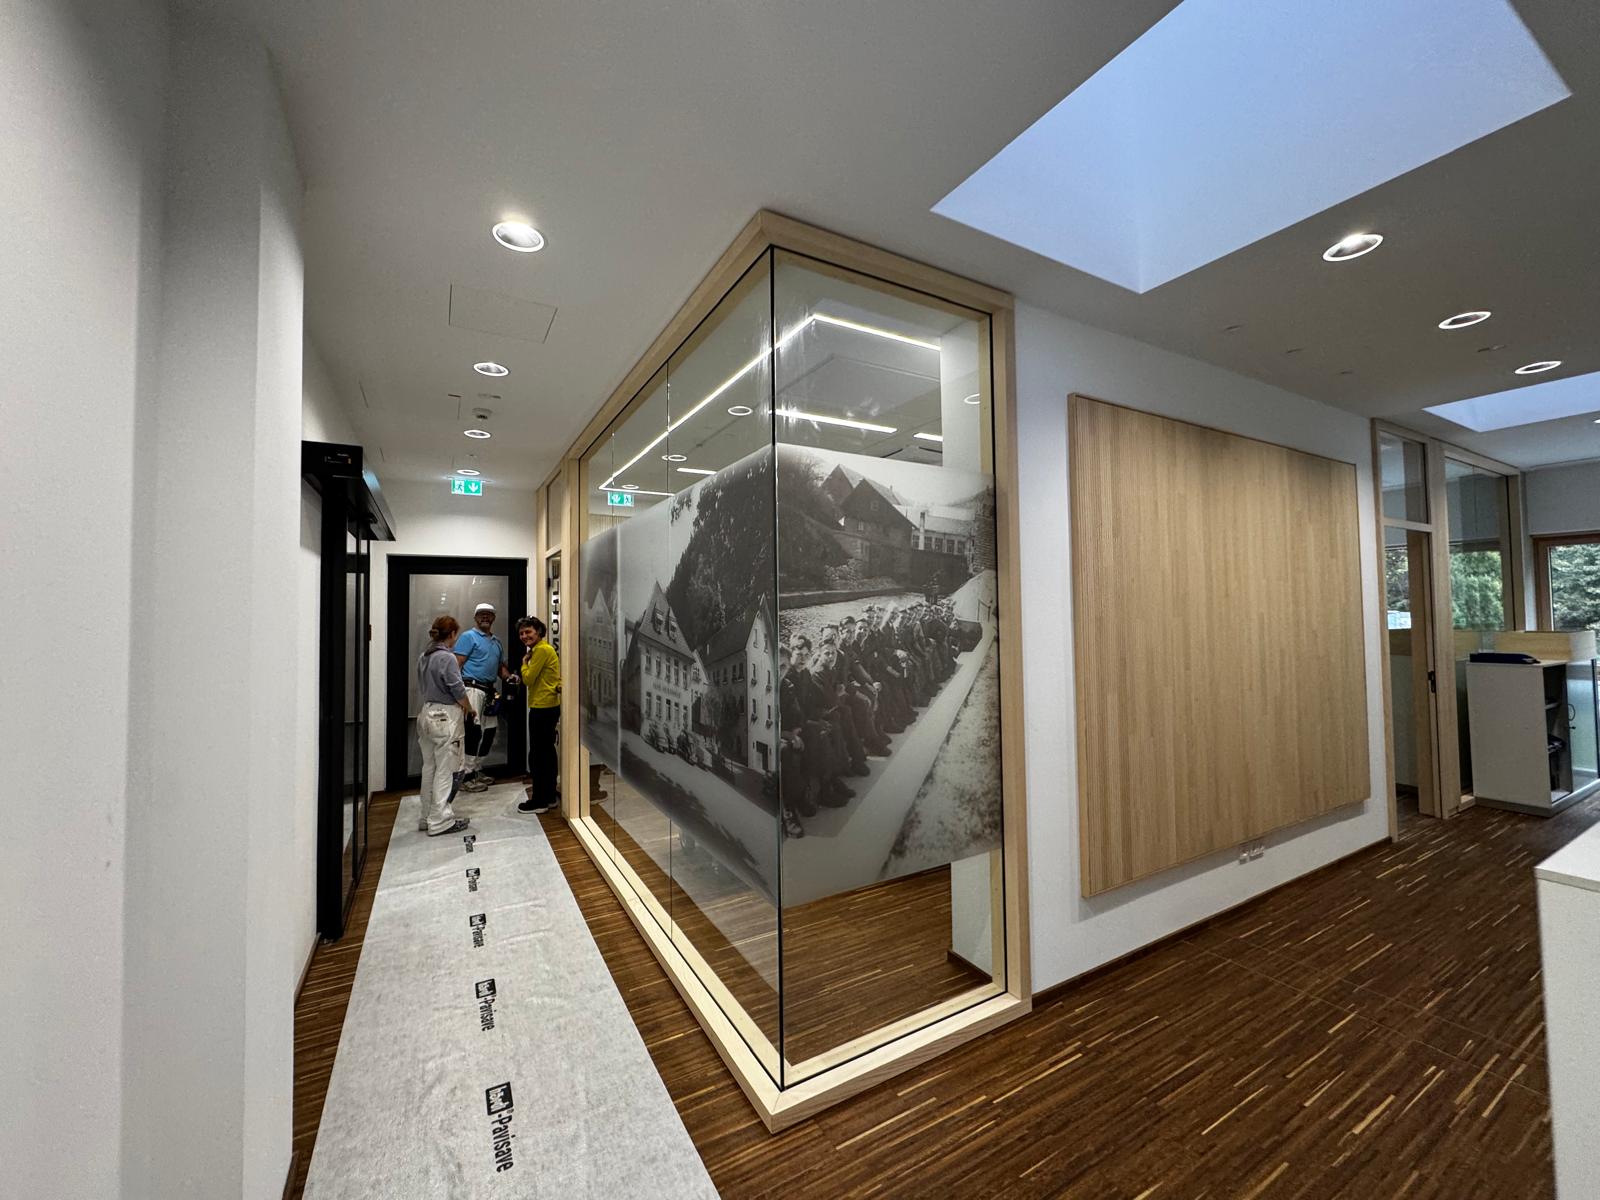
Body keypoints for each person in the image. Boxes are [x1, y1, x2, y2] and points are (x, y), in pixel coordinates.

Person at [416, 615, 473, 837]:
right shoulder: (447, 657)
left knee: (429, 767)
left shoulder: (424, 656)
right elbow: (456, 688)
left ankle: (426, 816)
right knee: (446, 769)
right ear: (452, 634)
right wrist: (469, 708)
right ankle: (440, 820)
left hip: (426, 712)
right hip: (445, 716)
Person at [453, 601, 514, 791]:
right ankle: (466, 776)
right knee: (473, 732)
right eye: (481, 614)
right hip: (472, 689)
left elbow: (500, 668)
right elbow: (456, 665)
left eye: (488, 614)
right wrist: (456, 694)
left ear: (493, 618)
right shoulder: (468, 637)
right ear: (475, 618)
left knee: (489, 732)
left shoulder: (496, 642)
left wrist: (509, 677)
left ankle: (476, 769)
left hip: (488, 691)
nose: (485, 617)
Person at [517, 615, 562, 815]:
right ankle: (549, 797)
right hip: (546, 706)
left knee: (538, 756)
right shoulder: (541, 649)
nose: (524, 636)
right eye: (521, 633)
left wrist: (524, 663)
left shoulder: (541, 650)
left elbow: (527, 679)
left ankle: (540, 801)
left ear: (539, 632)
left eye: (528, 631)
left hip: (543, 707)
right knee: (546, 754)